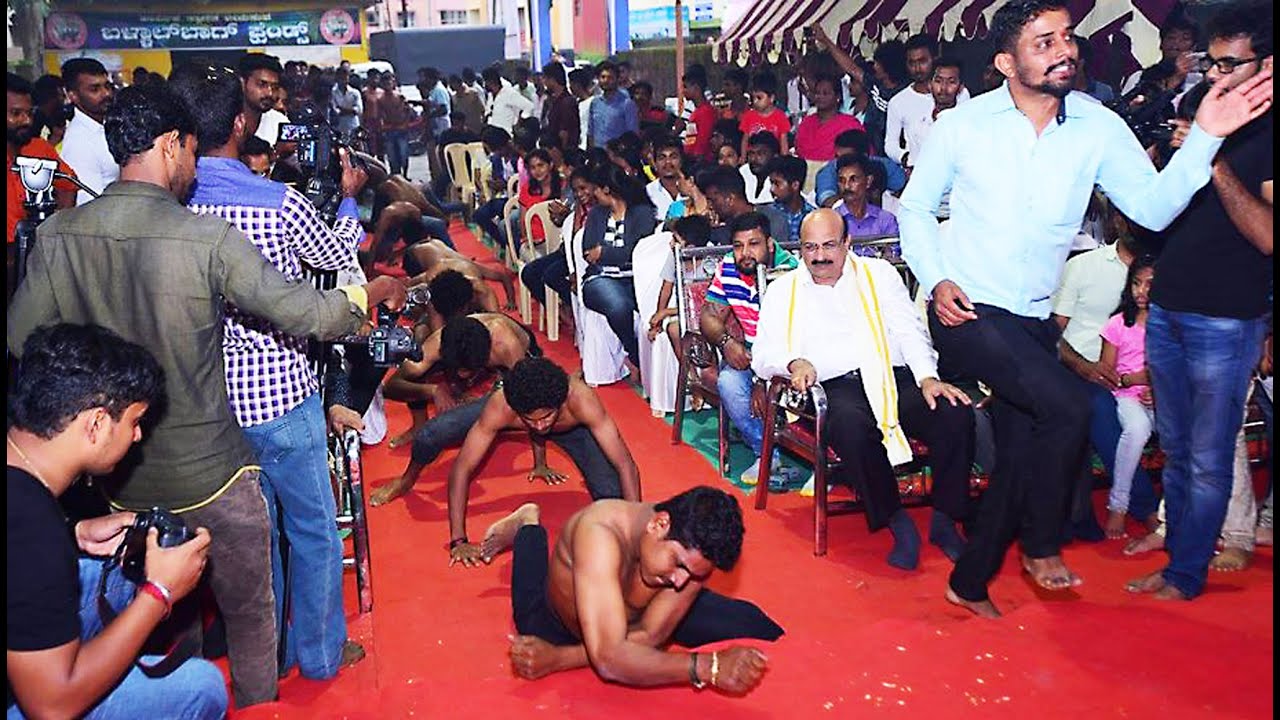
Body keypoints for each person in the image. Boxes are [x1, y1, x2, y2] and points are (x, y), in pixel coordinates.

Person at [7, 82, 405, 705]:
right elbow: (305, 314)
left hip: (119, 484)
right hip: (213, 473)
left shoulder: (60, 235)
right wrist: (361, 299)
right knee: (251, 620)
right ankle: (261, 702)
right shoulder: (201, 238)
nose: (195, 167)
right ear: (171, 146)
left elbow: (22, 338)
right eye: (191, 151)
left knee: (166, 623)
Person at [896, 0, 1271, 618]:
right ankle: (1042, 545)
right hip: (965, 311)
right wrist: (935, 280)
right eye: (1043, 42)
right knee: (1068, 405)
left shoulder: (1097, 126)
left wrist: (1207, 136)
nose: (1064, 50)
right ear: (1005, 62)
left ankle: (969, 579)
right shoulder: (963, 124)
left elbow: (1151, 211)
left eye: (1066, 37)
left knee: (1020, 451)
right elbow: (913, 209)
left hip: (1032, 320)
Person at [171, 63, 369, 680]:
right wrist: (348, 195)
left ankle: (270, 658)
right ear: (239, 122)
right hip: (282, 393)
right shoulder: (278, 202)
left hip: (211, 404)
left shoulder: (174, 206)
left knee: (253, 540)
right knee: (311, 531)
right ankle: (319, 654)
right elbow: (336, 256)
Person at [1125, 2, 1273, 602]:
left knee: (1211, 457)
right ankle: (1178, 560)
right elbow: (1160, 210)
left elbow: (1267, 235)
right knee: (1178, 449)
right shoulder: (1197, 109)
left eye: (1230, 65)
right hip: (1169, 302)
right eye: (1211, 63)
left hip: (1227, 316)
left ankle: (1187, 574)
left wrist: (1209, 162)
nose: (1215, 77)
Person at [6, 323, 226, 720]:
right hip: (38, 697)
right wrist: (160, 592)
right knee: (202, 688)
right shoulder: (33, 534)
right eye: (134, 421)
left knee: (117, 575)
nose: (138, 436)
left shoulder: (22, 479)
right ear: (96, 424)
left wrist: (74, 532)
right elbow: (50, 707)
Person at [752, 209, 975, 568]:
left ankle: (946, 520)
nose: (819, 256)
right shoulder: (783, 291)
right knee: (853, 429)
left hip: (892, 376)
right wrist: (793, 362)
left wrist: (928, 378)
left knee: (953, 413)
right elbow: (763, 354)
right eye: (810, 247)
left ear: (847, 243)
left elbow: (909, 330)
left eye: (828, 246)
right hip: (832, 387)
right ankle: (895, 519)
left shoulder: (880, 275)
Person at [488, 487, 782, 690]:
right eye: (678, 565)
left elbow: (652, 635)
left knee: (757, 627)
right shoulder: (600, 531)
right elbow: (608, 659)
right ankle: (528, 525)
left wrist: (562, 659)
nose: (681, 582)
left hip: (634, 619)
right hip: (562, 623)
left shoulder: (692, 554)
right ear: (659, 524)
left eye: (693, 574)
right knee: (529, 617)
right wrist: (708, 666)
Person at [444, 357, 643, 565]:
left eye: (546, 417)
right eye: (531, 419)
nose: (539, 426)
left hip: (574, 429)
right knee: (430, 437)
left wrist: (636, 533)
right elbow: (462, 468)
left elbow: (625, 464)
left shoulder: (580, 399)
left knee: (612, 495)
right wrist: (458, 541)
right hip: (514, 412)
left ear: (559, 404)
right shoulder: (501, 406)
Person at [1051, 232, 1159, 541]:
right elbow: (1049, 333)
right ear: (1117, 218)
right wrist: (1082, 366)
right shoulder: (1084, 266)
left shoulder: (1166, 267)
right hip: (1079, 367)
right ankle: (1140, 505)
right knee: (1102, 408)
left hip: (1141, 377)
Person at [697, 212, 802, 486]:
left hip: (791, 356)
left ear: (770, 244)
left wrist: (761, 378)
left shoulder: (790, 272)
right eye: (737, 245)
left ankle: (819, 462)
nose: (744, 253)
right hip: (751, 354)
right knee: (729, 382)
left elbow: (791, 337)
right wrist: (725, 342)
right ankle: (767, 453)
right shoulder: (729, 266)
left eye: (753, 244)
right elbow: (708, 315)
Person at [1097, 257, 1156, 538]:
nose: (1141, 291)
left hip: (1161, 398)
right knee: (1137, 429)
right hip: (1124, 395)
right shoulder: (1118, 323)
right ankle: (1117, 506)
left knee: (1184, 436)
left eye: (1149, 285)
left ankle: (1169, 513)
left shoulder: (1169, 324)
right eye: (1136, 283)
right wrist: (1131, 380)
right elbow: (1106, 372)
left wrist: (1156, 388)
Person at [579, 163, 658, 371]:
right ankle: (635, 353)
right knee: (619, 305)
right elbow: (588, 251)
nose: (592, 193)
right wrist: (619, 255)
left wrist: (604, 253)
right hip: (600, 278)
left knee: (642, 305)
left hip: (637, 279)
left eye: (595, 188)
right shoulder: (597, 214)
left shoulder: (642, 213)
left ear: (606, 189)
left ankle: (646, 359)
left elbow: (640, 252)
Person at [7, 73, 77, 257]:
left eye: (29, 113)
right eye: (16, 114)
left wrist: (56, 229)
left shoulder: (39, 148)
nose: (27, 121)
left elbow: (69, 184)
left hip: (36, 256)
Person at [884, 34, 971, 168]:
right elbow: (890, 144)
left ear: (935, 59)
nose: (917, 68)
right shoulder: (898, 102)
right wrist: (907, 158)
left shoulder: (960, 94)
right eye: (912, 63)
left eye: (923, 61)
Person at [58, 58, 117, 204]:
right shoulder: (79, 143)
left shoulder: (107, 126)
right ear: (73, 96)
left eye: (107, 86)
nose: (106, 94)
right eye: (95, 89)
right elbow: (90, 206)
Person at [900, 57, 964, 174]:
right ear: (930, 84)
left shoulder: (967, 125)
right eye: (938, 81)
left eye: (951, 82)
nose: (944, 88)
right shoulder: (918, 124)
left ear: (960, 88)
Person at [814, 128, 907, 208]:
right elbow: (828, 202)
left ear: (865, 156)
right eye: (837, 156)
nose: (841, 162)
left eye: (847, 158)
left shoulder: (884, 165)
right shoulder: (828, 171)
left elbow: (903, 192)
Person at [793, 74, 863, 163]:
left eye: (825, 93)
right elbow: (798, 150)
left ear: (837, 97)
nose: (820, 97)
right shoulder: (807, 122)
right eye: (817, 93)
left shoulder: (850, 125)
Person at [834, 154, 898, 240]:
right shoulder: (831, 221)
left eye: (853, 179)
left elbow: (893, 251)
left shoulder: (886, 220)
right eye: (842, 180)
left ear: (868, 181)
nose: (846, 186)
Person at [588, 61, 639, 149]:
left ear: (617, 79)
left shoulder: (627, 104)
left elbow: (632, 134)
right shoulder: (595, 103)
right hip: (598, 155)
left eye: (610, 78)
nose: (606, 81)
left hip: (618, 156)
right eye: (603, 77)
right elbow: (591, 132)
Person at [738, 72, 790, 157]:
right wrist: (743, 157)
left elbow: (783, 141)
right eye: (753, 98)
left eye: (759, 98)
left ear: (771, 98)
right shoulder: (748, 116)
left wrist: (784, 159)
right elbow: (745, 140)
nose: (755, 101)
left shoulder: (780, 116)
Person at [767, 155, 816, 242]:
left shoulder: (813, 216)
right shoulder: (768, 214)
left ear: (795, 185)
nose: (772, 189)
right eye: (771, 183)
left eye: (777, 183)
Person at [239, 53, 283, 144]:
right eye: (262, 85)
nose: (270, 93)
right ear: (242, 83)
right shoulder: (223, 119)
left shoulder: (279, 122)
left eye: (275, 87)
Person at [679, 67, 716, 164]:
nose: (683, 91)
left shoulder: (706, 112)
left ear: (696, 88)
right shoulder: (697, 111)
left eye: (685, 87)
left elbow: (703, 142)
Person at [541, 61, 581, 151]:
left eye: (545, 78)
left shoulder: (566, 102)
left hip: (562, 153)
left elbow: (565, 133)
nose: (544, 82)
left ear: (552, 79)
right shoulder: (554, 101)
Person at [484, 66, 535, 133]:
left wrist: (520, 121)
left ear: (491, 81)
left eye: (486, 81)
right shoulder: (491, 95)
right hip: (492, 130)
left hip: (507, 132)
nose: (485, 84)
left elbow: (529, 106)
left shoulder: (509, 93)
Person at [331, 66, 363, 135]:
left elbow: (359, 110)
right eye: (341, 77)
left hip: (353, 127)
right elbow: (336, 111)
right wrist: (351, 110)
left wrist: (342, 109)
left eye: (346, 76)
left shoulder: (355, 92)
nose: (344, 79)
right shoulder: (332, 93)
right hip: (339, 128)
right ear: (336, 78)